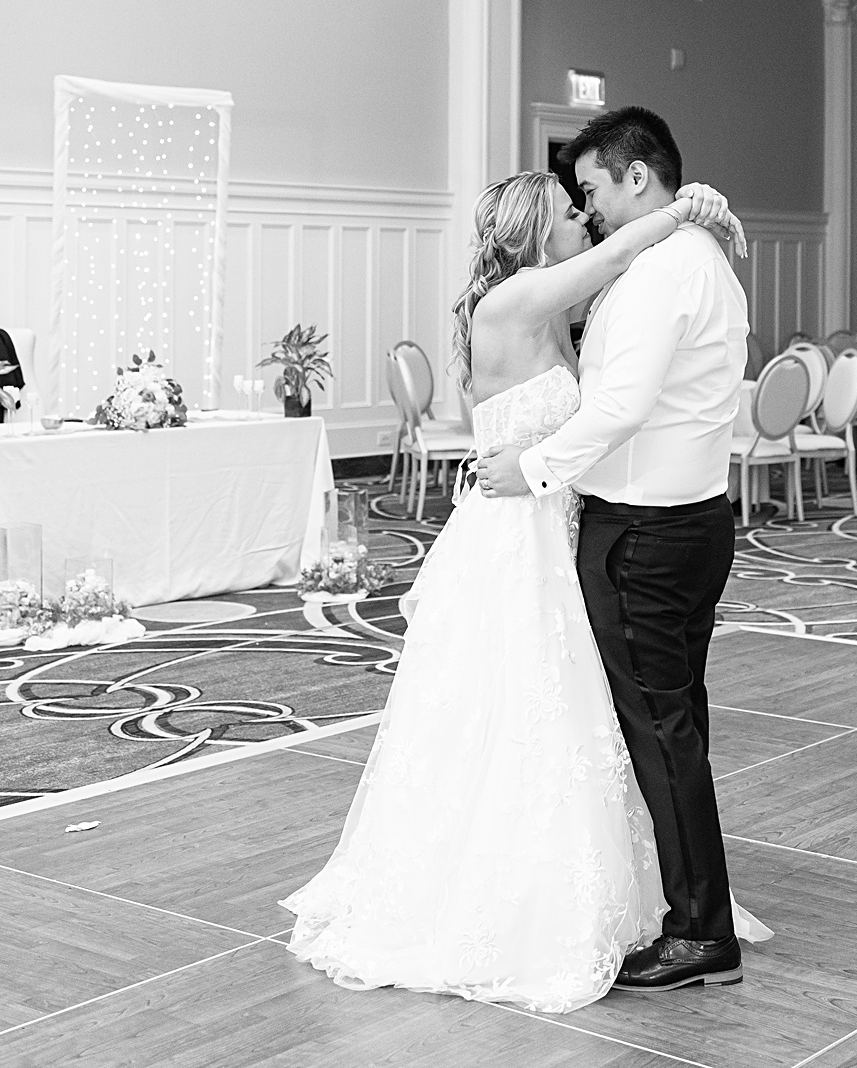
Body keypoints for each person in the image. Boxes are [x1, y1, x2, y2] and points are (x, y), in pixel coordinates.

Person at [283, 165, 754, 1011]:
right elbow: (615, 260)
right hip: (517, 525)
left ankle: (635, 887)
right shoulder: (517, 300)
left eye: (589, 205)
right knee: (521, 702)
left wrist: (704, 225)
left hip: (554, 514)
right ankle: (513, 892)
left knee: (576, 705)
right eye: (572, 213)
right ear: (539, 231)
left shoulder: (539, 303)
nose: (586, 220)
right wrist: (687, 211)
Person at [481, 106, 758, 994]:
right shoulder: (698, 258)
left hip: (642, 533)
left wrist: (534, 466)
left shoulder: (657, 272)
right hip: (695, 521)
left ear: (637, 178)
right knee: (679, 723)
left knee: (662, 730)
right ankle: (695, 905)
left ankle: (699, 933)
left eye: (593, 187)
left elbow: (619, 408)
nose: (589, 206)